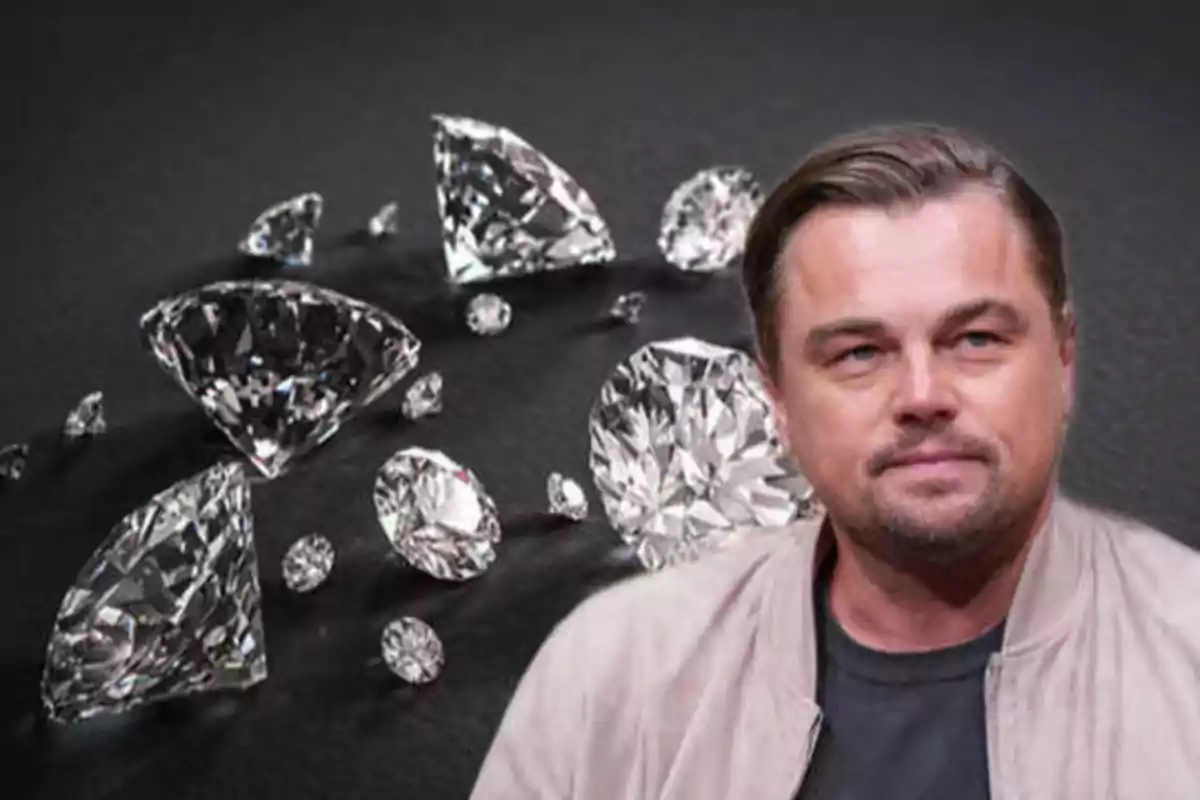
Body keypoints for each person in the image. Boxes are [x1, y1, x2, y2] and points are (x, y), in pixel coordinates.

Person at [469, 123, 1200, 799]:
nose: (923, 395)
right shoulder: (611, 674)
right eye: (859, 353)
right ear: (778, 397)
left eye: (975, 339)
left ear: (1064, 360)